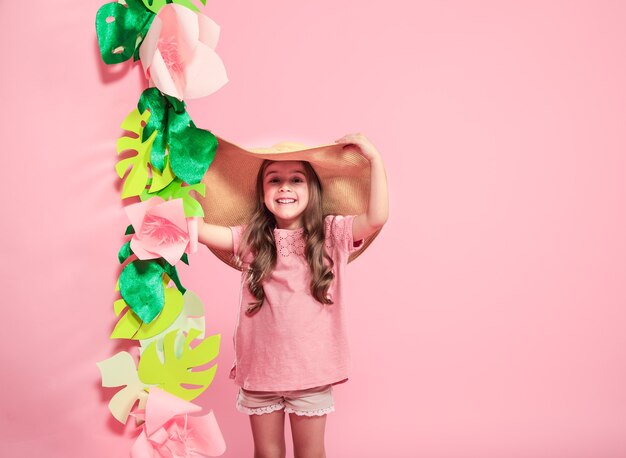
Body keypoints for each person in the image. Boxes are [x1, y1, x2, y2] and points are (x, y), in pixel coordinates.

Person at [197, 132, 388, 458]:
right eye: (275, 180)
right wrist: (172, 174)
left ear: (312, 190)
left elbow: (376, 218)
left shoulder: (332, 234)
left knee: (310, 453)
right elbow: (198, 230)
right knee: (267, 453)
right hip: (261, 374)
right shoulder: (251, 239)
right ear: (263, 192)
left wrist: (374, 159)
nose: (284, 186)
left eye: (296, 179)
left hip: (310, 373)